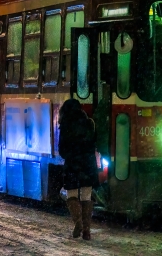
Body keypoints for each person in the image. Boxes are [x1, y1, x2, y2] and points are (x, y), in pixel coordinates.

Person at [58, 98, 99, 240]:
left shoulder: (65, 125)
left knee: (72, 195)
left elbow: (62, 150)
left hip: (72, 165)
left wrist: (71, 155)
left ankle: (79, 222)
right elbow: (94, 143)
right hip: (88, 164)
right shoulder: (89, 123)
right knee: (87, 196)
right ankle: (87, 231)